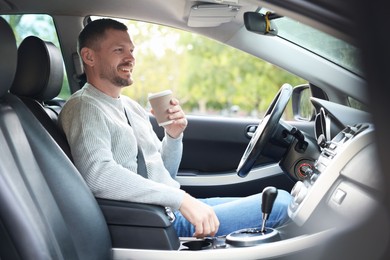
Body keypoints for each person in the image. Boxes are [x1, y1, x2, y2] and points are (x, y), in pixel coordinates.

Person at [58, 18, 292, 238]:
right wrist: (182, 200)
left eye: (131, 50)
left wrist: (173, 135)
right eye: (119, 50)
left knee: (277, 199)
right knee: (279, 204)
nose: (130, 58)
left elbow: (162, 174)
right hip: (153, 222)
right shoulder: (84, 107)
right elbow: (98, 175)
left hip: (167, 210)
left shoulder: (130, 106)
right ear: (89, 56)